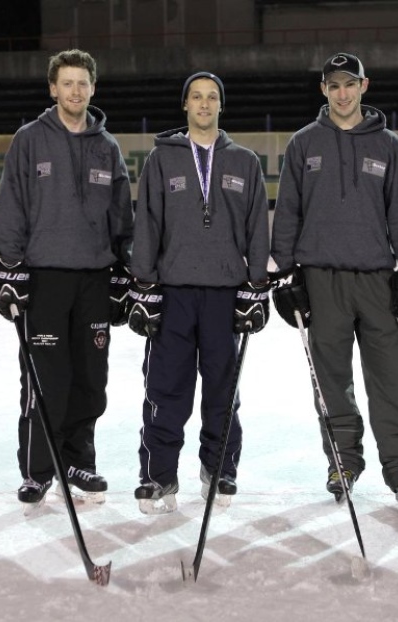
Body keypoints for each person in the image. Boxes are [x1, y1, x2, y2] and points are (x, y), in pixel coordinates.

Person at [270, 52, 398, 513]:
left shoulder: (390, 146)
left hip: (378, 279)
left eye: (350, 84)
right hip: (321, 280)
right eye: (333, 85)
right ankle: (343, 460)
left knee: (394, 381)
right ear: (324, 90)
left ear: (365, 86)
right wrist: (283, 274)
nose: (342, 93)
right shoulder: (303, 144)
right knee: (331, 379)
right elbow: (289, 214)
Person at [0, 49, 133, 508]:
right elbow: (11, 204)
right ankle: (38, 470)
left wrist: (122, 272)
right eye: (66, 83)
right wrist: (9, 268)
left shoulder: (106, 146)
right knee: (44, 378)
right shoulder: (30, 140)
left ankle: (78, 462)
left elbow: (121, 217)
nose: (75, 91)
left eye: (83, 83)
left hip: (93, 278)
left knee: (90, 378)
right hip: (45, 278)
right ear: (53, 88)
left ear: (94, 88)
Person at [126, 72, 270, 514]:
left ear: (220, 106)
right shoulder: (162, 161)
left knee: (222, 391)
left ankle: (219, 468)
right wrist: (144, 285)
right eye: (196, 97)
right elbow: (147, 224)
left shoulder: (245, 161)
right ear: (184, 105)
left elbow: (256, 229)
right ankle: (158, 475)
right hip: (172, 294)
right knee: (166, 388)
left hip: (224, 295)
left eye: (212, 97)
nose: (204, 104)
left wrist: (257, 286)